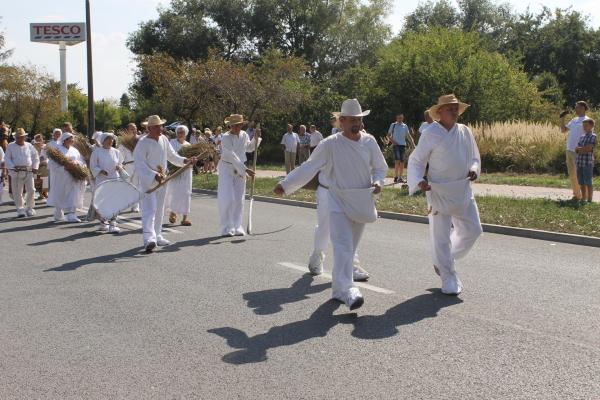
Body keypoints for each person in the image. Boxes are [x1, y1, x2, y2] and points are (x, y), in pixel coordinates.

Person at [274, 99, 387, 310]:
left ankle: (338, 290)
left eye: (359, 119)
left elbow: (381, 168)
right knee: (343, 246)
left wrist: (378, 181)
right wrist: (286, 184)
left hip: (361, 201)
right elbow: (309, 167)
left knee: (351, 248)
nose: (357, 124)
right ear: (342, 121)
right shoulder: (330, 144)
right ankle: (347, 290)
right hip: (337, 201)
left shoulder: (370, 141)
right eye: (352, 119)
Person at [407, 94, 483, 296]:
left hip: (462, 189)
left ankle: (443, 259)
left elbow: (475, 156)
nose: (454, 111)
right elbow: (416, 161)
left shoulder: (465, 131)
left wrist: (474, 168)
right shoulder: (431, 133)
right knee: (440, 237)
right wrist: (419, 180)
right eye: (450, 108)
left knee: (474, 229)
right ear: (439, 111)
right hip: (438, 191)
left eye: (456, 108)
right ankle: (448, 276)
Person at [134, 115, 196, 252]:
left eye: (160, 126)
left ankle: (158, 235)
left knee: (160, 209)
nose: (159, 129)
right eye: (156, 127)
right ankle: (149, 239)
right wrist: (153, 175)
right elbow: (139, 163)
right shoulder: (142, 143)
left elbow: (172, 156)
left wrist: (185, 161)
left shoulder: (163, 139)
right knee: (149, 210)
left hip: (163, 180)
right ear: (149, 128)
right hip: (149, 182)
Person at [218, 114, 261, 237]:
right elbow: (231, 155)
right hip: (227, 169)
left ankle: (237, 226)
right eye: (234, 125)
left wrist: (256, 138)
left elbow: (249, 148)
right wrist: (245, 169)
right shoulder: (225, 138)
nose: (237, 127)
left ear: (242, 125)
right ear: (230, 126)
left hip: (241, 170)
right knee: (227, 199)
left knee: (239, 199)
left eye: (239, 125)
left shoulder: (244, 135)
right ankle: (226, 227)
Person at [47, 132, 86, 222]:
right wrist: (64, 168)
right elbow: (51, 164)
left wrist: (76, 165)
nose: (72, 140)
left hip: (73, 176)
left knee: (73, 193)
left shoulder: (75, 150)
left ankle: (71, 214)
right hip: (61, 177)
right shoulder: (57, 150)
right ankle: (58, 211)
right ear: (65, 140)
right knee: (61, 194)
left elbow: (81, 161)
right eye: (70, 139)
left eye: (72, 139)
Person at [90, 132, 124, 233]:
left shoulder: (116, 152)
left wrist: (119, 167)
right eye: (108, 139)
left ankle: (113, 224)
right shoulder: (97, 152)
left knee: (114, 202)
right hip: (102, 180)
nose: (111, 141)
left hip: (114, 179)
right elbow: (93, 166)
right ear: (103, 140)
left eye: (112, 139)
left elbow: (120, 163)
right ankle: (103, 223)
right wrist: (100, 171)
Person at [5, 128, 40, 217]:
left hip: (28, 171)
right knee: (17, 191)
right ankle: (20, 209)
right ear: (15, 137)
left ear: (24, 137)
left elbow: (35, 157)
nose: (20, 138)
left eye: (21, 137)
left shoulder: (29, 146)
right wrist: (13, 167)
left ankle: (29, 208)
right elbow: (7, 158)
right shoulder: (10, 146)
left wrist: (35, 167)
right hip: (16, 172)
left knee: (31, 190)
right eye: (18, 137)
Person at [561, 101, 590, 200]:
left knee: (580, 175)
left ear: (583, 108)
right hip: (569, 149)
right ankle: (577, 195)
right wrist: (562, 118)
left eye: (577, 107)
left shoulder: (587, 120)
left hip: (579, 151)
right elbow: (563, 130)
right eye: (576, 107)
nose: (575, 109)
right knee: (572, 175)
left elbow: (589, 136)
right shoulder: (574, 120)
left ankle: (584, 196)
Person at [165, 125, 193, 226]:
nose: (180, 134)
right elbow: (171, 156)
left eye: (182, 132)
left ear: (185, 133)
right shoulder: (172, 143)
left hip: (187, 171)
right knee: (175, 192)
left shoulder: (189, 145)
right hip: (175, 170)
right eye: (179, 132)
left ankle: (185, 218)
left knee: (186, 193)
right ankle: (173, 212)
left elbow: (191, 157)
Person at [117, 124, 140, 212]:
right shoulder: (124, 142)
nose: (134, 130)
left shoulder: (140, 140)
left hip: (138, 165)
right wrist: (120, 165)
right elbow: (120, 156)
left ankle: (135, 206)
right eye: (131, 129)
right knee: (127, 185)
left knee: (137, 185)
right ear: (127, 130)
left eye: (135, 128)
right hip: (128, 165)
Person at [575, 118, 597, 203]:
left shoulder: (593, 136)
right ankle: (583, 198)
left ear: (591, 126)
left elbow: (588, 149)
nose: (584, 127)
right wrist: (581, 149)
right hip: (580, 161)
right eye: (583, 126)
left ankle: (590, 199)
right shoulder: (582, 136)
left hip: (587, 162)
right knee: (581, 181)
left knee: (588, 181)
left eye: (586, 125)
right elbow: (576, 149)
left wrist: (580, 149)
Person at [388, 114, 409, 183]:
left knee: (402, 162)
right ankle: (396, 176)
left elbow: (408, 136)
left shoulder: (405, 126)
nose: (399, 119)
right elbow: (388, 135)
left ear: (402, 118)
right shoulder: (393, 125)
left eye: (401, 118)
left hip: (403, 145)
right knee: (397, 160)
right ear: (396, 118)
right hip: (396, 145)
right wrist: (393, 142)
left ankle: (400, 177)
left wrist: (413, 144)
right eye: (398, 118)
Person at [32, 134, 49, 199]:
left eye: (40, 139)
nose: (39, 141)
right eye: (37, 139)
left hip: (44, 165)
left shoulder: (46, 147)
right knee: (37, 180)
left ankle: (45, 192)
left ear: (42, 140)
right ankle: (40, 194)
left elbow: (48, 156)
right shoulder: (33, 147)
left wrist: (45, 161)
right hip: (36, 166)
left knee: (45, 179)